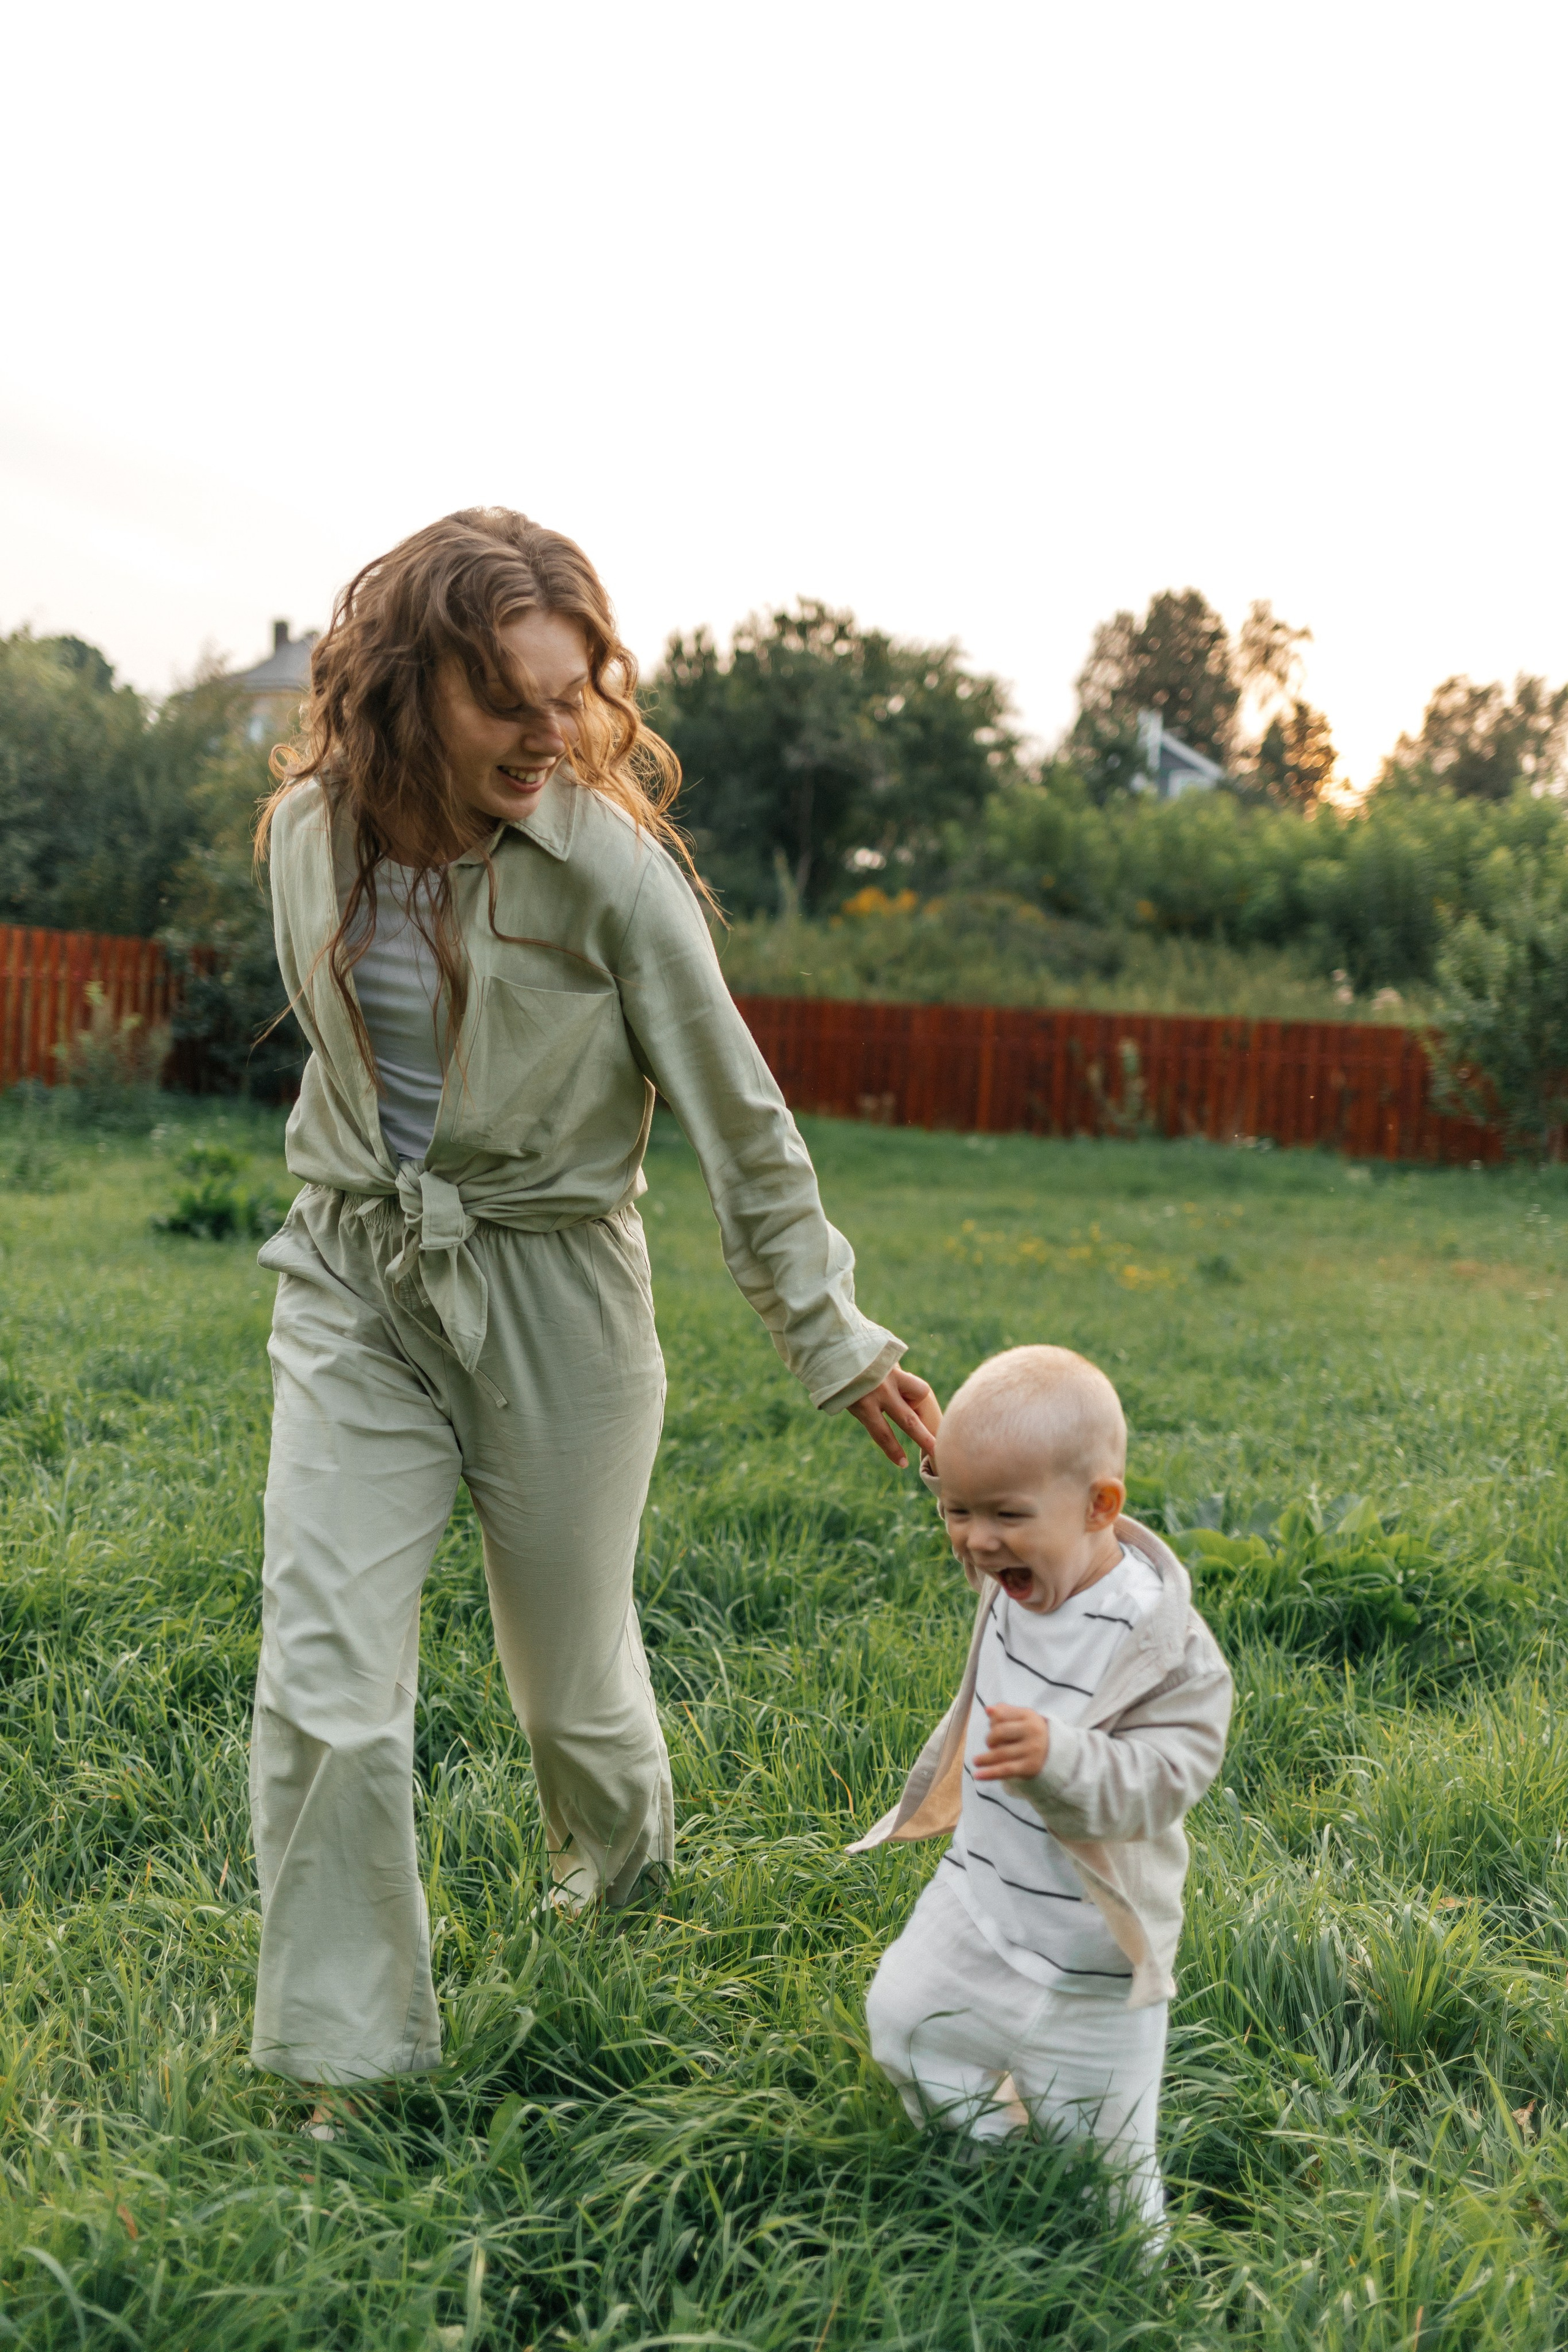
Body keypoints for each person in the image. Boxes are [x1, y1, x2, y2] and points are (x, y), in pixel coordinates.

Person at [249, 507, 937, 2096]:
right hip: (359, 1275)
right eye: (511, 701)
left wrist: (831, 1334)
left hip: (560, 1292)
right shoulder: (308, 837)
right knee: (327, 1688)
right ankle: (350, 2065)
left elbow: (739, 1116)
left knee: (577, 1698)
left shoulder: (613, 870)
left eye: (575, 696)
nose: (552, 734)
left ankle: (617, 1913)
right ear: (411, 685)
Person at [852, 1345, 1231, 2236]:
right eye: (957, 1512)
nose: (977, 1543)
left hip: (1091, 1956)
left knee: (1107, 2171)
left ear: (1101, 1506)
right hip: (980, 1901)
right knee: (905, 2023)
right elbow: (984, 1494)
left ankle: (1127, 2288)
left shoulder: (1160, 1640)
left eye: (1005, 1516)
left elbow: (1169, 1780)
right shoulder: (1020, 1564)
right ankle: (989, 2171)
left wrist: (1060, 1759)